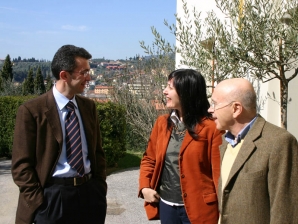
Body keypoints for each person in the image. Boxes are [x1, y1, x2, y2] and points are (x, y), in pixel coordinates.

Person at [11, 45, 107, 224]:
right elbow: (21, 166)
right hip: (52, 200)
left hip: (89, 197)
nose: (89, 77)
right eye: (84, 72)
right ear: (64, 75)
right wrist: (39, 201)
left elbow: (98, 153)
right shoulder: (32, 111)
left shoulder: (89, 107)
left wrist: (99, 188)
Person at [138, 69, 224, 224]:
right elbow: (149, 159)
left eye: (170, 87)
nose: (164, 91)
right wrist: (144, 187)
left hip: (201, 209)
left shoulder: (212, 127)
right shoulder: (162, 123)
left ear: (186, 92)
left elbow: (219, 174)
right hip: (167, 207)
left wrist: (224, 211)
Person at [208, 78, 298, 224]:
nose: (210, 110)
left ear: (236, 109)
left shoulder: (279, 142)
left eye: (215, 104)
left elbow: (285, 211)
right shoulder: (226, 142)